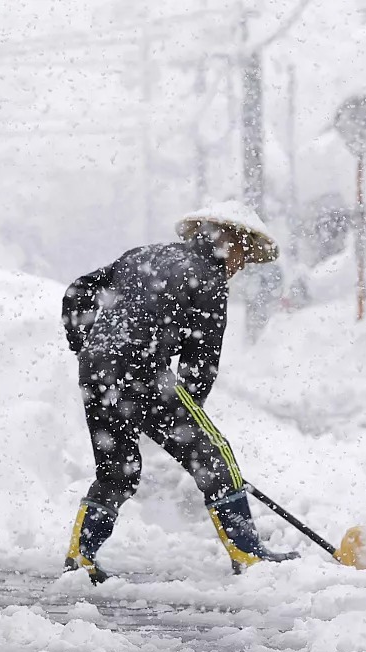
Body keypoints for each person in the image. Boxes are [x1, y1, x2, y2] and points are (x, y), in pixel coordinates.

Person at [60, 202, 298, 583]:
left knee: (118, 471)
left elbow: (78, 291)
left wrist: (86, 347)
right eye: (244, 256)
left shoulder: (143, 256)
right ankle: (247, 553)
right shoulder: (209, 277)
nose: (241, 267)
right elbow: (201, 364)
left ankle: (80, 554)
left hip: (96, 371)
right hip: (143, 371)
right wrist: (187, 425)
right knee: (215, 454)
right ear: (231, 242)